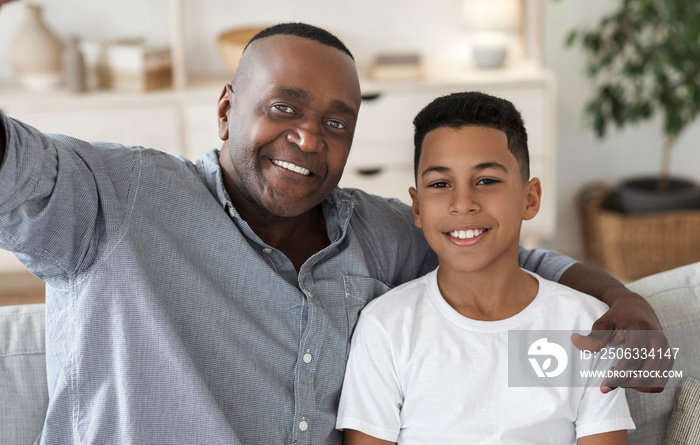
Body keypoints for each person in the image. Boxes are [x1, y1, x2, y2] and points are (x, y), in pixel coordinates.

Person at [0, 16, 665, 444]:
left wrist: (630, 305)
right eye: (284, 107)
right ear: (228, 109)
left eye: (337, 122)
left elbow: (512, 260)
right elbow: (22, 171)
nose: (308, 138)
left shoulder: (376, 234)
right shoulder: (122, 196)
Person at [336, 91, 635, 444]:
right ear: (416, 208)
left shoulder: (585, 327)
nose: (463, 203)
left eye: (487, 180)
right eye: (440, 184)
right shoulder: (386, 328)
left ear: (530, 198)